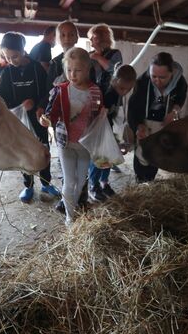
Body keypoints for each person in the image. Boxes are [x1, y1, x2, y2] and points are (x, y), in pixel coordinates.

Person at [40, 47, 103, 226]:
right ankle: (69, 217)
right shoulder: (61, 90)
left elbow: (97, 112)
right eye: (69, 70)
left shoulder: (95, 91)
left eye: (77, 70)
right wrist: (46, 120)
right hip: (65, 142)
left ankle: (72, 207)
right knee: (69, 181)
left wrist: (102, 115)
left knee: (81, 181)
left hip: (85, 144)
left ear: (88, 69)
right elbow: (52, 112)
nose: (72, 74)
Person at [0, 32, 60, 203]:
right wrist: (18, 107)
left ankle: (46, 183)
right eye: (7, 57)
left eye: (15, 56)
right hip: (19, 120)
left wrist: (39, 106)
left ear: (23, 51)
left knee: (43, 149)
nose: (11, 61)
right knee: (24, 152)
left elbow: (48, 91)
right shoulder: (7, 73)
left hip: (38, 118)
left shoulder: (37, 68)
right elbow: (0, 98)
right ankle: (28, 185)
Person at [128, 52, 188, 183]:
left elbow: (181, 97)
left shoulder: (180, 81)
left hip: (163, 122)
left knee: (156, 153)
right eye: (153, 76)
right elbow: (133, 108)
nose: (157, 81)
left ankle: (150, 180)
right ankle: (140, 181)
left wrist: (173, 112)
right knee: (142, 153)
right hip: (146, 121)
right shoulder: (143, 81)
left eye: (162, 77)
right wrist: (138, 126)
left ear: (171, 73)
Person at [88, 64, 137, 199]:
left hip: (108, 128)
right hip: (98, 130)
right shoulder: (105, 92)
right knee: (98, 158)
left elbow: (115, 116)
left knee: (108, 158)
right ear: (114, 80)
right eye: (122, 88)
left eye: (129, 89)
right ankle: (93, 185)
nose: (124, 92)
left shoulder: (117, 93)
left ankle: (104, 183)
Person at [87, 23, 123, 201]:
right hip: (93, 105)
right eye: (90, 38)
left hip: (110, 105)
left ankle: (103, 181)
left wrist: (97, 57)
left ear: (102, 37)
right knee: (96, 147)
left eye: (93, 37)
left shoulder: (114, 54)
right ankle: (92, 184)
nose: (91, 41)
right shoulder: (89, 57)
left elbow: (115, 72)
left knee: (107, 145)